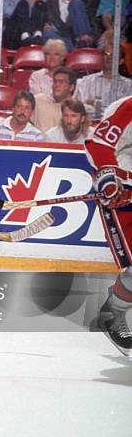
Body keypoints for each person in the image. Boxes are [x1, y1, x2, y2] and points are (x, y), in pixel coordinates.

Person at [84, 97, 132, 355]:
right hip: (121, 194)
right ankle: (113, 313)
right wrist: (110, 178)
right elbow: (97, 145)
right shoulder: (128, 107)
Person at [73, 43, 132, 117]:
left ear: (121, 61)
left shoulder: (129, 86)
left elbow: (127, 112)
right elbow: (75, 109)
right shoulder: (85, 82)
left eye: (113, 55)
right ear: (102, 57)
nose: (109, 57)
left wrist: (96, 105)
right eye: (106, 54)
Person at [33, 66, 77, 133]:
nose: (56, 85)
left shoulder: (76, 109)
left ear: (71, 87)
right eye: (55, 81)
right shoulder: (38, 100)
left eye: (61, 82)